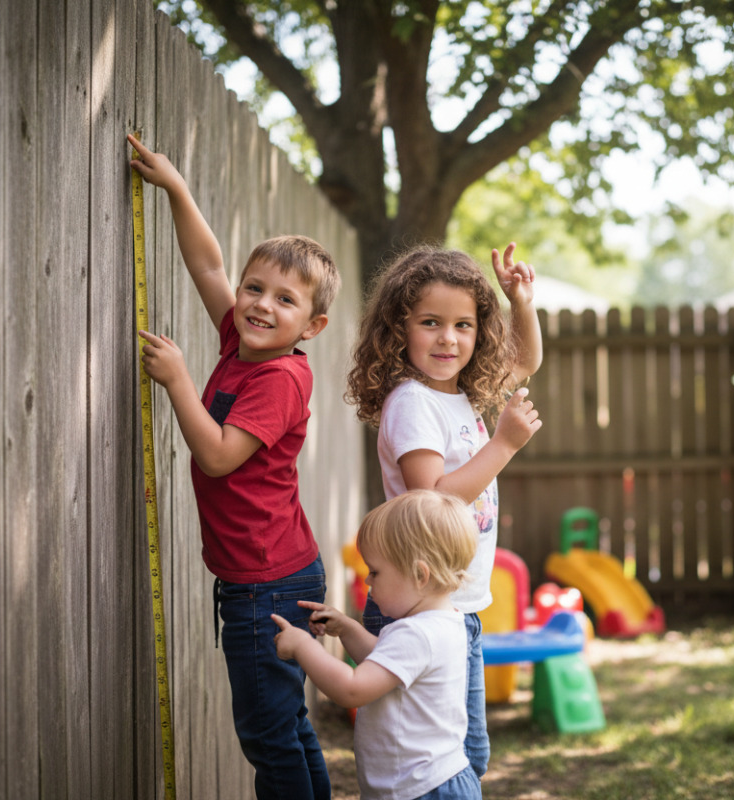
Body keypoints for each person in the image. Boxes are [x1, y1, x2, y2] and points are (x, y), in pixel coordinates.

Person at [127, 133, 341, 800]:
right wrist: (178, 190)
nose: (260, 304)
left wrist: (179, 383)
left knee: (267, 737)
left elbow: (219, 457)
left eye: (285, 300)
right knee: (288, 726)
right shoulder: (244, 345)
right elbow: (207, 267)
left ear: (312, 326)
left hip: (264, 585)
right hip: (271, 572)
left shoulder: (277, 379)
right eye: (257, 288)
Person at [344, 243, 543, 779]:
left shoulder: (463, 395)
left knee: (468, 755)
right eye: (430, 322)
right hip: (417, 610)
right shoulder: (413, 403)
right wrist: (502, 446)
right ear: (398, 328)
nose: (448, 338)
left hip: (459, 606)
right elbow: (430, 496)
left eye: (464, 325)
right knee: (434, 761)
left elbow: (525, 361)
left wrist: (519, 301)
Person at [273, 490, 483, 800]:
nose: (368, 582)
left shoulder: (418, 635)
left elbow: (353, 689)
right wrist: (347, 629)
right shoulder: (443, 623)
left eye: (375, 571)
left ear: (420, 574)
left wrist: (304, 646)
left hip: (423, 791)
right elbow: (384, 663)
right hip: (432, 783)